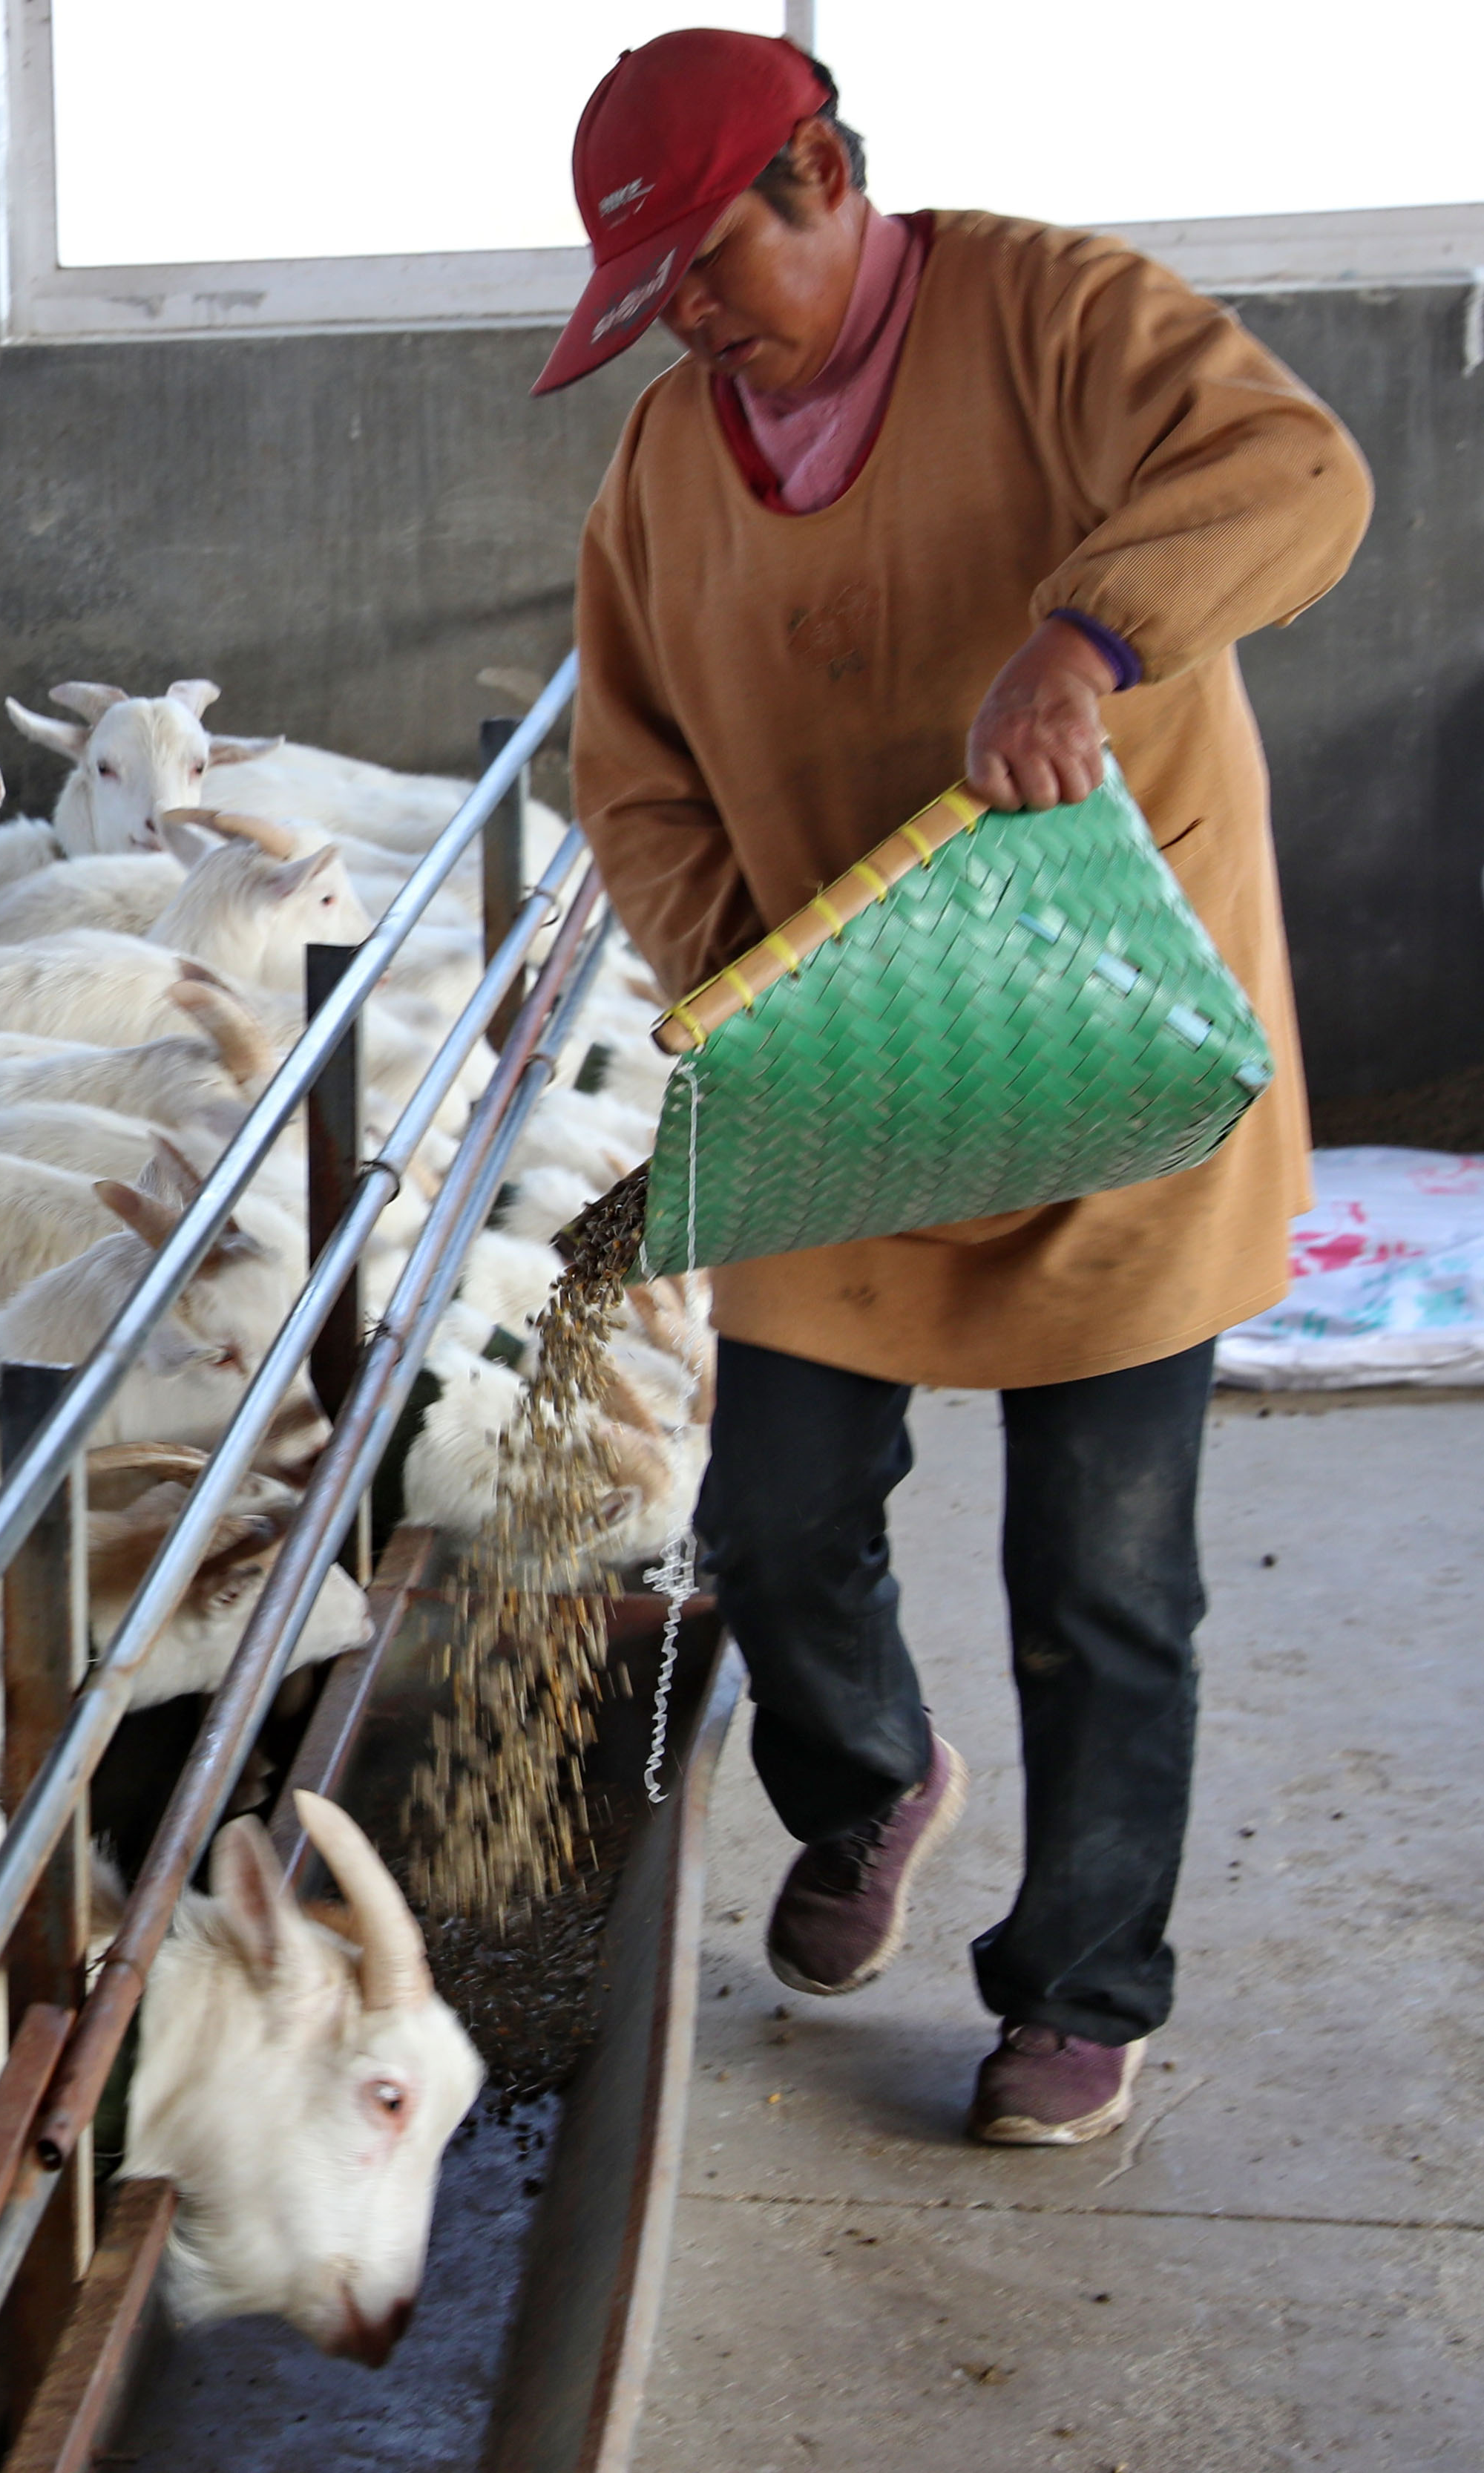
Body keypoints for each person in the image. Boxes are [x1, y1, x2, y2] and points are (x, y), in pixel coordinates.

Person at [539, 30, 1370, 2143]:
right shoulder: (658, 464)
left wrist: (1085, 640)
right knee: (772, 1519)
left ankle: (1078, 1990)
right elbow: (625, 766)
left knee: (1102, 1577)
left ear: (819, 172)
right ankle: (873, 1773)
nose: (693, 326)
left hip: (1107, 1040)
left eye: (709, 267)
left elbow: (1295, 478)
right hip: (853, 1059)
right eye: (657, 303)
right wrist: (729, 951)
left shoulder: (1059, 320)